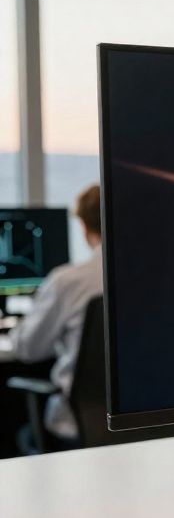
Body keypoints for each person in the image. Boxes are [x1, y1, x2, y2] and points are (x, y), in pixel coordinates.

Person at [10, 184, 104, 447]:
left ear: (85, 228)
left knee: (22, 436)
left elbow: (27, 349)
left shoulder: (67, 282)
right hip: (146, 432)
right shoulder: (157, 278)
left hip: (78, 430)